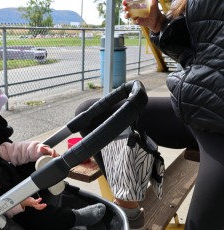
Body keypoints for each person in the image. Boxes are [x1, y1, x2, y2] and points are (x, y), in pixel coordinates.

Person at [76, 0, 224, 229]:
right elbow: (202, 55)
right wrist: (159, 24)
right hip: (194, 109)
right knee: (93, 115)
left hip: (219, 130)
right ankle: (129, 208)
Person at [0, 110, 106, 230]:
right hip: (12, 213)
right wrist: (19, 204)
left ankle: (60, 202)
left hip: (26, 191)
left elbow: (20, 150)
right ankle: (76, 219)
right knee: (44, 218)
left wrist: (39, 150)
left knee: (39, 167)